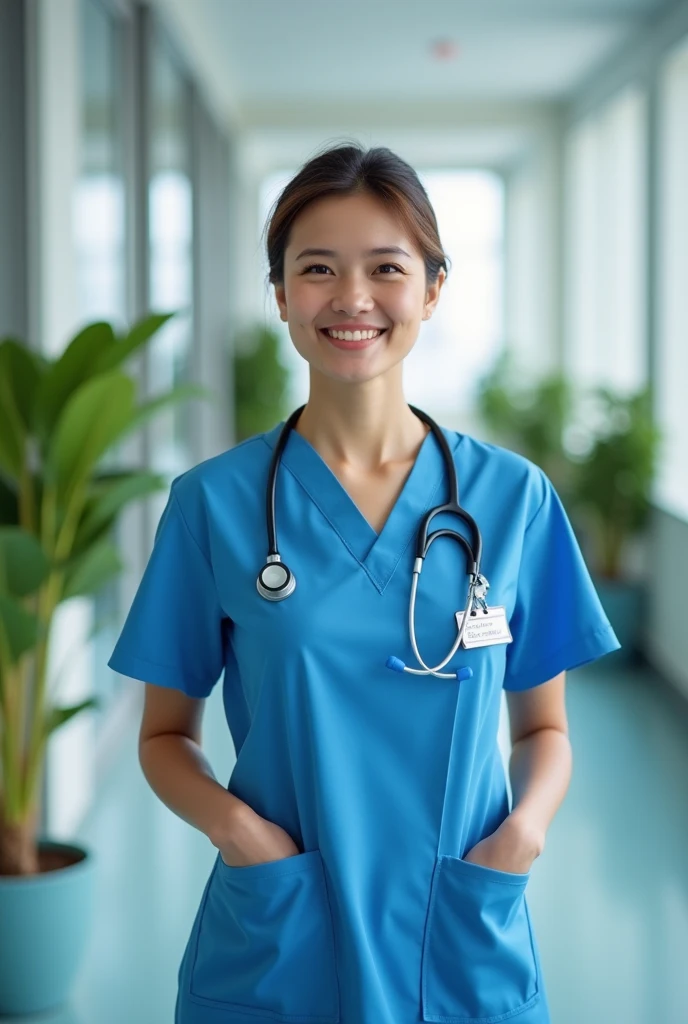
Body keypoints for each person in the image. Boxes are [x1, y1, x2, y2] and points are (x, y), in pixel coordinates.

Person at [108, 142, 621, 1024]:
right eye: (317, 270)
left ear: (431, 289)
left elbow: (544, 727)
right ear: (279, 295)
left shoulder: (513, 499)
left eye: (386, 267)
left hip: (459, 928)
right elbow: (164, 737)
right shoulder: (214, 505)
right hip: (282, 934)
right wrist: (240, 834)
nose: (351, 298)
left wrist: (523, 834)